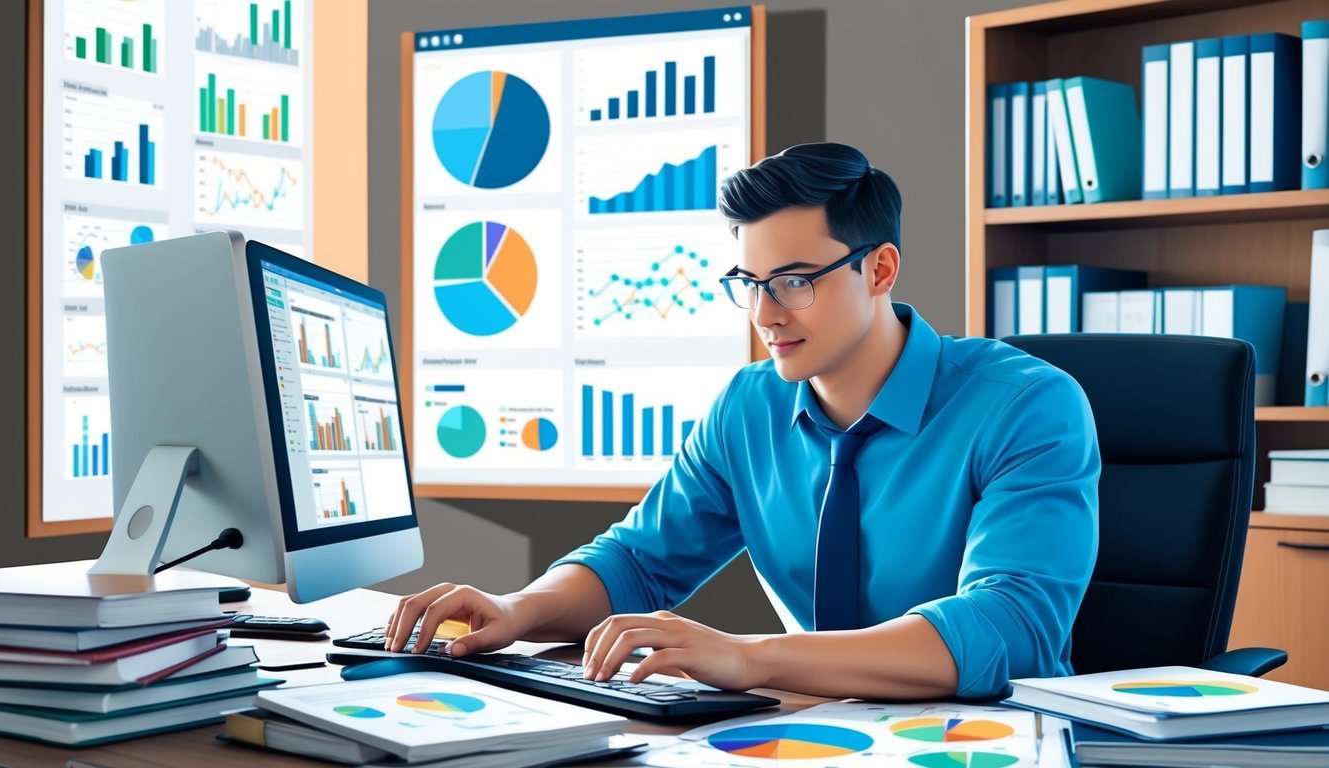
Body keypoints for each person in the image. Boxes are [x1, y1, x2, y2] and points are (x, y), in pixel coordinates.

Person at [386, 142, 1099, 700]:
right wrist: (520, 610)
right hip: (812, 731)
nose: (764, 314)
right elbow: (637, 561)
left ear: (879, 271)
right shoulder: (748, 406)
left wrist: (746, 656)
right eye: (749, 284)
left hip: (980, 744)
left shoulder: (1026, 405)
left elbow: (1011, 625)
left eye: (794, 281)